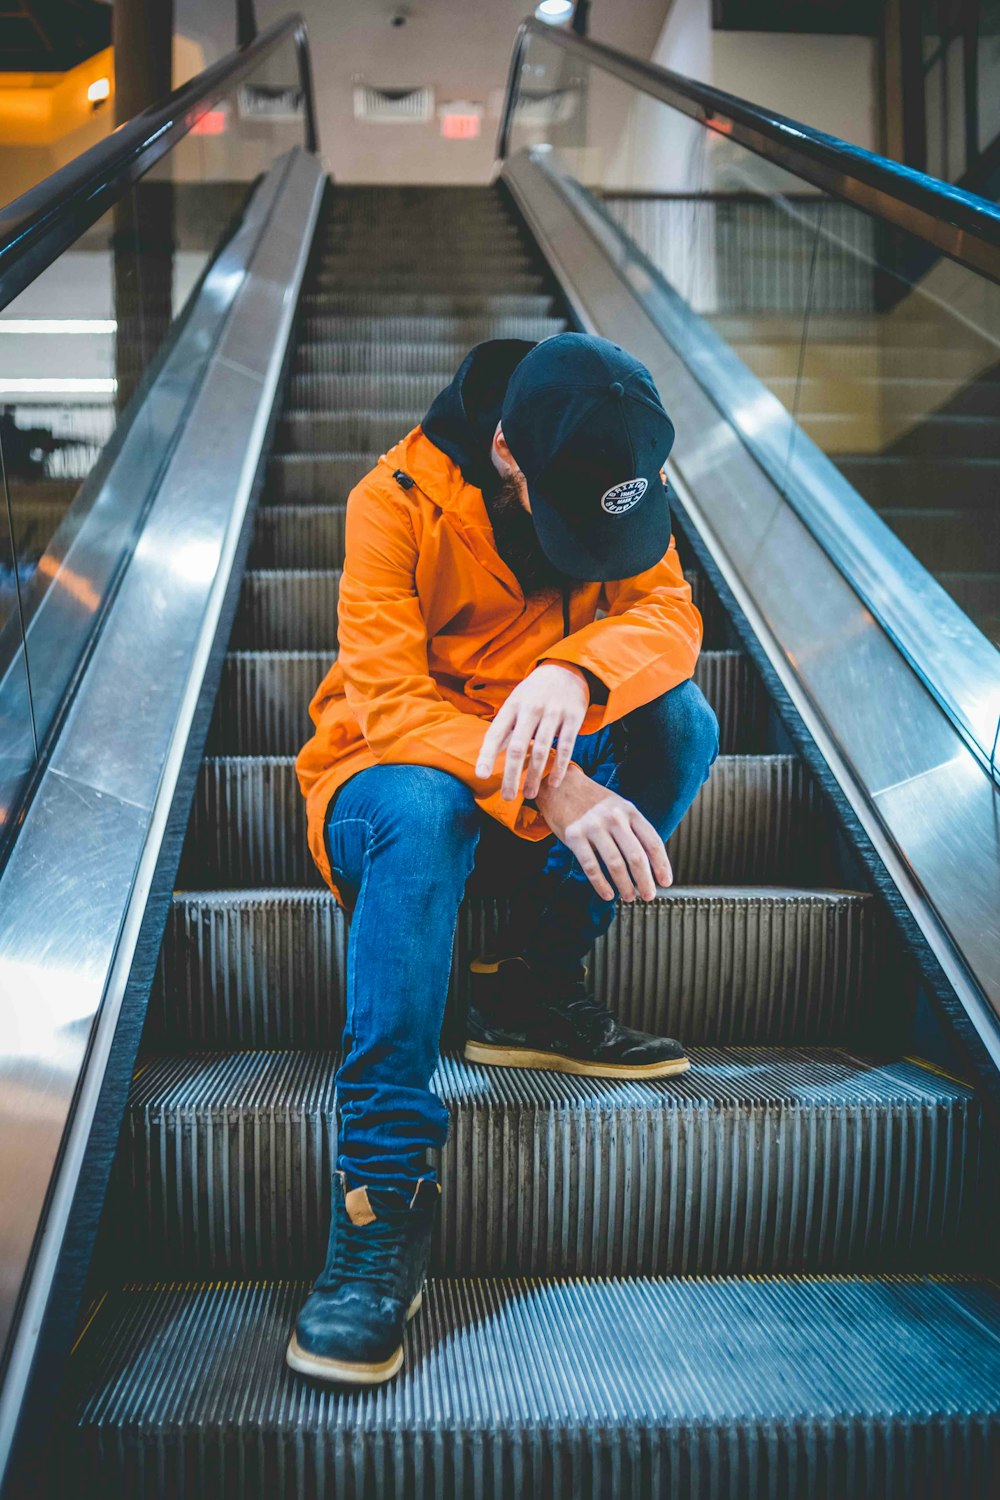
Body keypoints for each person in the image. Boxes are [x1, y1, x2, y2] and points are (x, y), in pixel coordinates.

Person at [288, 333, 719, 1384]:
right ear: (505, 456)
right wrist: (556, 784)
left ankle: (529, 983)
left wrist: (576, 673)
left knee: (685, 726)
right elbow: (388, 702)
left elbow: (666, 612)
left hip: (536, 772)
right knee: (425, 811)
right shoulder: (389, 502)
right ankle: (380, 1192)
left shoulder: (614, 467)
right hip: (395, 776)